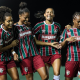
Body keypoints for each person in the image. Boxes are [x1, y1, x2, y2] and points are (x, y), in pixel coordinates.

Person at [14, 2, 48, 80]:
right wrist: (13, 53)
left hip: (35, 54)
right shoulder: (15, 28)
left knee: (45, 76)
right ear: (19, 16)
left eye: (28, 17)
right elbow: (11, 42)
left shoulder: (29, 26)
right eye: (25, 17)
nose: (27, 19)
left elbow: (34, 40)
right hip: (24, 56)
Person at [33, 8, 61, 80]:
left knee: (57, 72)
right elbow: (35, 41)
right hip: (43, 53)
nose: (49, 13)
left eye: (51, 12)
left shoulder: (57, 25)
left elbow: (60, 37)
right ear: (44, 14)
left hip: (55, 52)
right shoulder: (38, 25)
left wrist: (60, 43)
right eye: (47, 12)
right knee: (45, 77)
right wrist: (50, 44)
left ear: (54, 15)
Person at [0, 6, 19, 80]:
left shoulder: (13, 29)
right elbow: (0, 49)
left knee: (16, 78)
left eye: (12, 20)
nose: (11, 23)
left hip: (9, 58)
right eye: (8, 21)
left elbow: (10, 44)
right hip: (0, 60)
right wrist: (12, 45)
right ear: (3, 22)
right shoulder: (0, 33)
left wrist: (14, 53)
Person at [60, 12, 80, 80]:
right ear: (73, 20)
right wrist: (66, 40)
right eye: (78, 22)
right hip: (71, 60)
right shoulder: (67, 30)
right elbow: (61, 45)